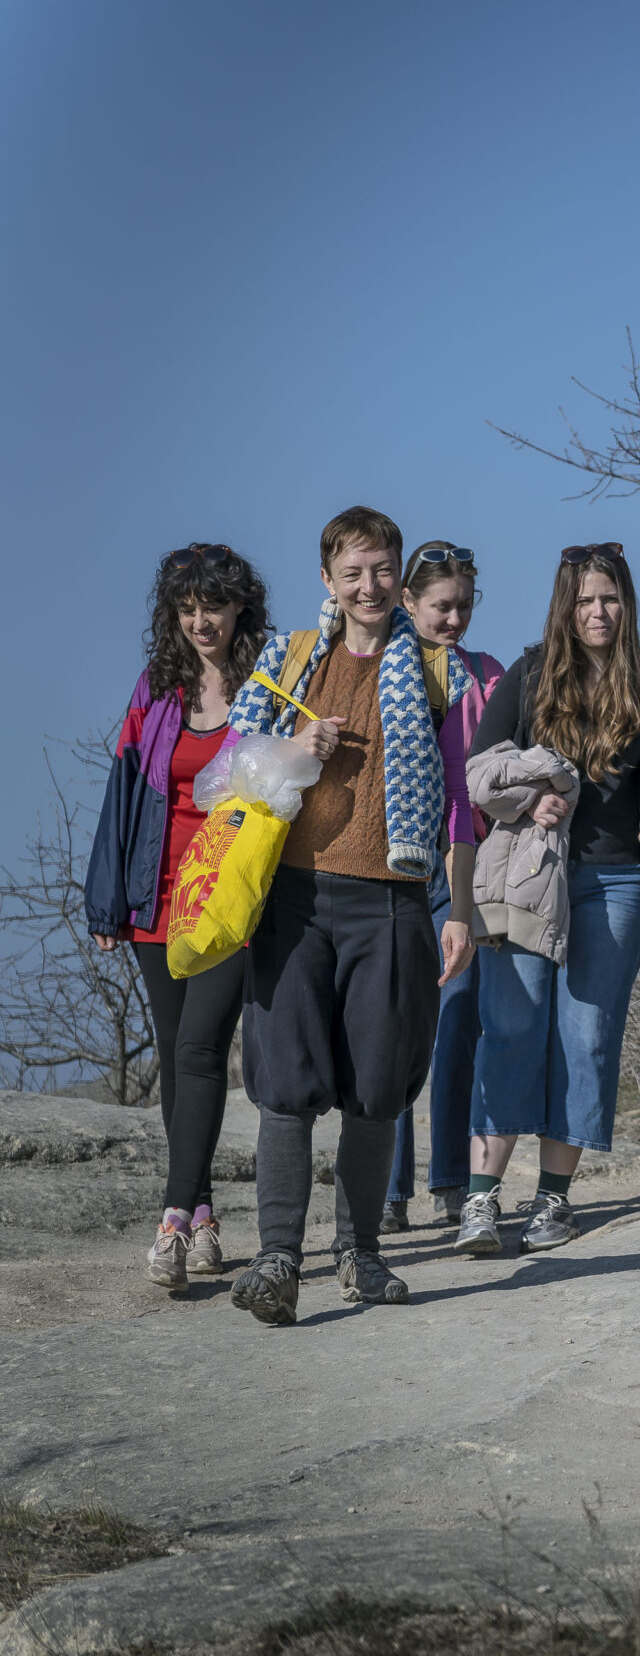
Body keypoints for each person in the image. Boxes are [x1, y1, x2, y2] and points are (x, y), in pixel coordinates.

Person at [226, 506, 478, 1326]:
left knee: (377, 1084)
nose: (369, 586)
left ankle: (361, 1253)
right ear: (328, 579)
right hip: (292, 897)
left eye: (382, 571)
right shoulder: (291, 657)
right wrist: (296, 746)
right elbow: (235, 763)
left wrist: (460, 907)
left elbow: (461, 801)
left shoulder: (440, 671)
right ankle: (278, 1259)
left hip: (392, 899)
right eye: (353, 572)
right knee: (285, 1084)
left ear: (400, 579)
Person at [455, 543, 640, 1257]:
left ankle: (552, 1200)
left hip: (616, 883)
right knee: (513, 1027)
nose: (598, 611)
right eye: (585, 599)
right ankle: (480, 1200)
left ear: (626, 603)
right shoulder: (526, 675)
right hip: (528, 876)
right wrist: (533, 800)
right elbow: (480, 773)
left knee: (586, 1037)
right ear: (565, 605)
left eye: (609, 598)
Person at [85, 543, 271, 1290]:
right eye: (188, 609)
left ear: (240, 608)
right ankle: (201, 1214)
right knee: (176, 1056)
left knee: (199, 1049)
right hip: (155, 899)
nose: (202, 622)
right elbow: (123, 792)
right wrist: (107, 901)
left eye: (214, 606)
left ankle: (170, 1222)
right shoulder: (157, 688)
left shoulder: (267, 684)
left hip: (227, 904)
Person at [384, 542, 508, 1232]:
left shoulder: (488, 675)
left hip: (465, 864)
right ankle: (387, 1188)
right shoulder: (379, 667)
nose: (454, 619)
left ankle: (454, 1179)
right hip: (388, 867)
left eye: (464, 606)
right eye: (441, 606)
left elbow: (501, 769)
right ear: (408, 602)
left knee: (458, 1017)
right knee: (392, 1021)